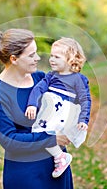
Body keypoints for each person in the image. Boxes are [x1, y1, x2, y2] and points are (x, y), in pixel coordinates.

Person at [0, 29, 74, 189]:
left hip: (57, 167)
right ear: (14, 59)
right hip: (26, 174)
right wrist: (51, 138)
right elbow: (10, 140)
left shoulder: (40, 78)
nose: (38, 58)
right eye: (32, 55)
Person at [25, 37, 91, 178]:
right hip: (51, 112)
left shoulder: (78, 79)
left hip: (65, 113)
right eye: (51, 56)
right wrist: (32, 104)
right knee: (40, 132)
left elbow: (85, 99)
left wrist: (83, 119)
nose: (51, 59)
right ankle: (59, 156)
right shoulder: (51, 76)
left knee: (47, 134)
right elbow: (38, 89)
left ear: (70, 59)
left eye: (57, 56)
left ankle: (59, 156)